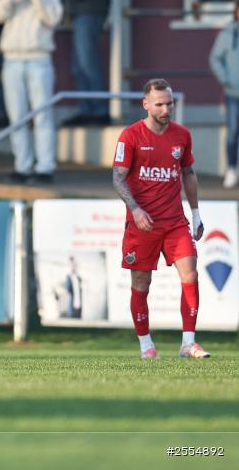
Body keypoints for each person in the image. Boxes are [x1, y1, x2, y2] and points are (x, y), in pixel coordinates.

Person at [112, 79, 210, 360]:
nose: (166, 109)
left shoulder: (182, 135)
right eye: (160, 104)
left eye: (170, 103)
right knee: (141, 283)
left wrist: (195, 212)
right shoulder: (130, 136)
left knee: (190, 274)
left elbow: (188, 174)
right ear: (146, 105)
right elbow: (118, 178)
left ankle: (188, 343)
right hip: (142, 224)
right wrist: (135, 209)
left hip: (175, 222)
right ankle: (147, 347)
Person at [0, 0, 63, 183]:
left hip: (39, 58)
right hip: (12, 59)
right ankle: (23, 165)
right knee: (17, 116)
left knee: (42, 114)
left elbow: (51, 19)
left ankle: (45, 166)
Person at [208, 2, 239, 189]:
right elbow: (215, 58)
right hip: (233, 93)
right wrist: (227, 79)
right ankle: (231, 169)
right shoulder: (227, 34)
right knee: (233, 132)